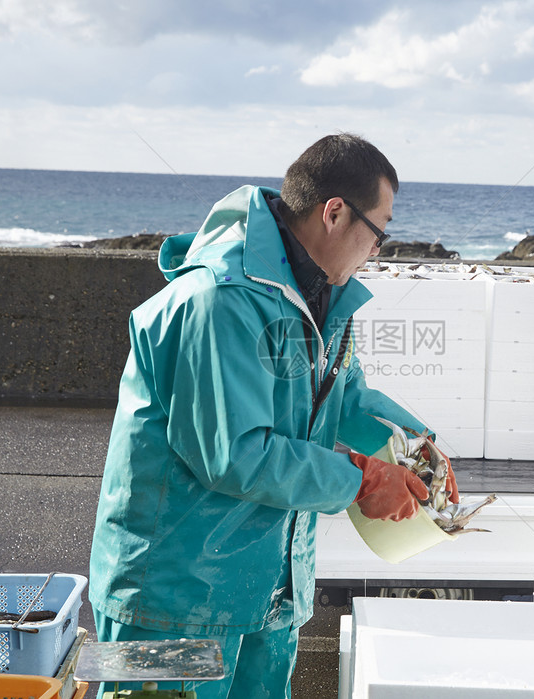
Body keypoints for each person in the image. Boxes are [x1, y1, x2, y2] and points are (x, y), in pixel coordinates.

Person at [88, 133, 457, 698]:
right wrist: (360, 482)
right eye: (379, 231)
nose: (378, 249)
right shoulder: (216, 299)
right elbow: (232, 453)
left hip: (268, 597)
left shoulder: (321, 295)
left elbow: (344, 398)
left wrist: (416, 443)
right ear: (334, 213)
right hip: (169, 600)